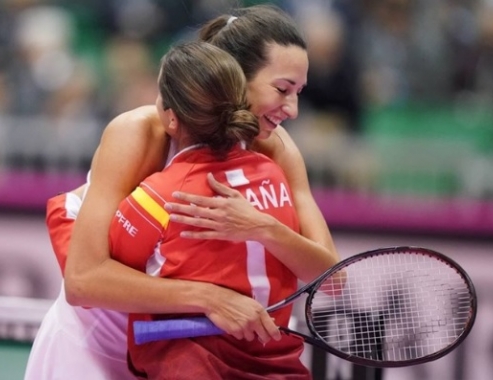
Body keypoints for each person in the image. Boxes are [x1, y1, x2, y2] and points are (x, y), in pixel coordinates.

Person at [24, 5, 339, 379]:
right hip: (95, 345)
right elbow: (83, 282)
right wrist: (209, 297)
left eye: (300, 91)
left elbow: (333, 281)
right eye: (282, 89)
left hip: (176, 356)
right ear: (235, 76)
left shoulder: (278, 150)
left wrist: (263, 229)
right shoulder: (139, 133)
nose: (293, 109)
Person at [110, 40, 311, 379]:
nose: (291, 108)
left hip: (193, 364)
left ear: (172, 119)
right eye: (283, 89)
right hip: (277, 365)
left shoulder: (159, 195)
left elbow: (105, 270)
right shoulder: (274, 172)